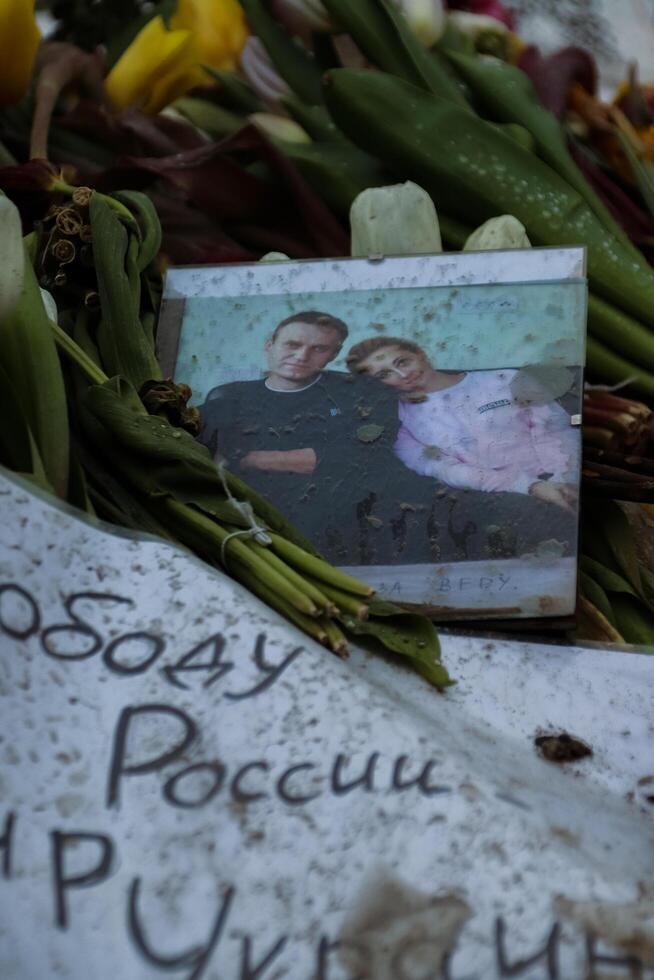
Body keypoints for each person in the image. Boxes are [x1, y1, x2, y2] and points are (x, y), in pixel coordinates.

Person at [198, 312, 408, 563]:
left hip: (333, 510)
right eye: (292, 344)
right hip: (251, 512)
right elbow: (202, 454)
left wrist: (247, 459)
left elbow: (356, 457)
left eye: (318, 348)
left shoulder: (354, 394)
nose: (301, 356)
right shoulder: (230, 397)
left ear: (333, 354)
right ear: (269, 345)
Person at [346, 336, 579, 512]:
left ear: (420, 353)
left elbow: (558, 428)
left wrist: (566, 479)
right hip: (504, 500)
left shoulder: (505, 378)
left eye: (403, 361)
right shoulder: (402, 428)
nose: (403, 374)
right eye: (385, 374)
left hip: (569, 477)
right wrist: (531, 486)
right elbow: (450, 470)